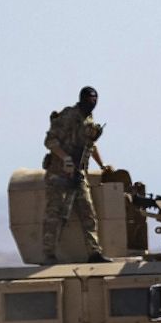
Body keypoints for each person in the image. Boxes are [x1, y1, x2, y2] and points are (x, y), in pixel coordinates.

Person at [40, 86, 113, 264]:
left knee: (88, 213)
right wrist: (65, 158)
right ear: (82, 99)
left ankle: (94, 253)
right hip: (60, 172)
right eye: (90, 99)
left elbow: (90, 145)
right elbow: (50, 141)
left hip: (78, 173)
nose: (93, 103)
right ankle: (48, 255)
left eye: (95, 99)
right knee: (56, 215)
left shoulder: (89, 119)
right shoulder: (68, 116)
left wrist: (102, 165)